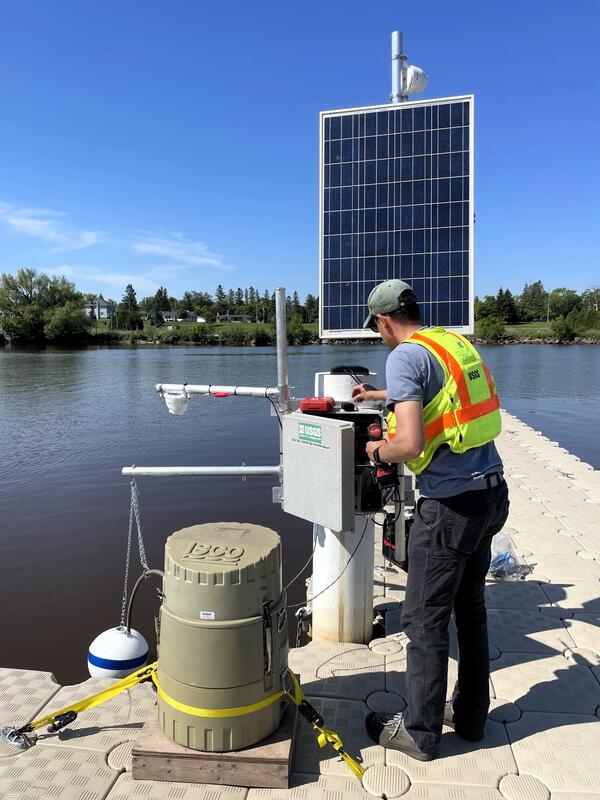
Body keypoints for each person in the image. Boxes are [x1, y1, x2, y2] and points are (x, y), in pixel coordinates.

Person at [355, 279, 509, 762]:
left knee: (424, 618)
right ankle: (470, 716)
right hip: (490, 495)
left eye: (377, 328)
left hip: (450, 509)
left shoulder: (403, 355)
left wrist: (377, 448)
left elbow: (411, 445)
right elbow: (442, 397)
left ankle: (420, 732)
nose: (380, 337)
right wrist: (380, 393)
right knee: (471, 608)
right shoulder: (449, 341)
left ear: (383, 321)